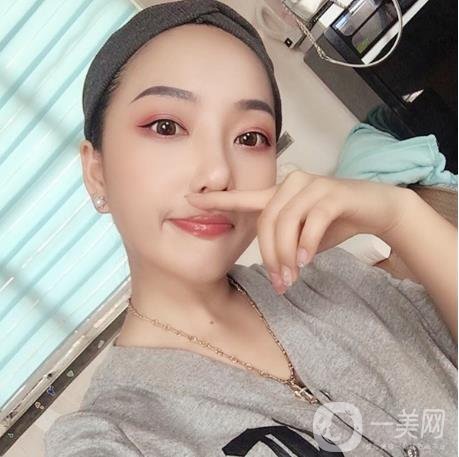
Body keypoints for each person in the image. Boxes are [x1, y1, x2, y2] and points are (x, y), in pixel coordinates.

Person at [44, 1, 457, 456]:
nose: (218, 172)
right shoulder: (113, 433)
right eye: (166, 126)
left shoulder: (336, 280)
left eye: (249, 138)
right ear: (97, 172)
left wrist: (401, 216)